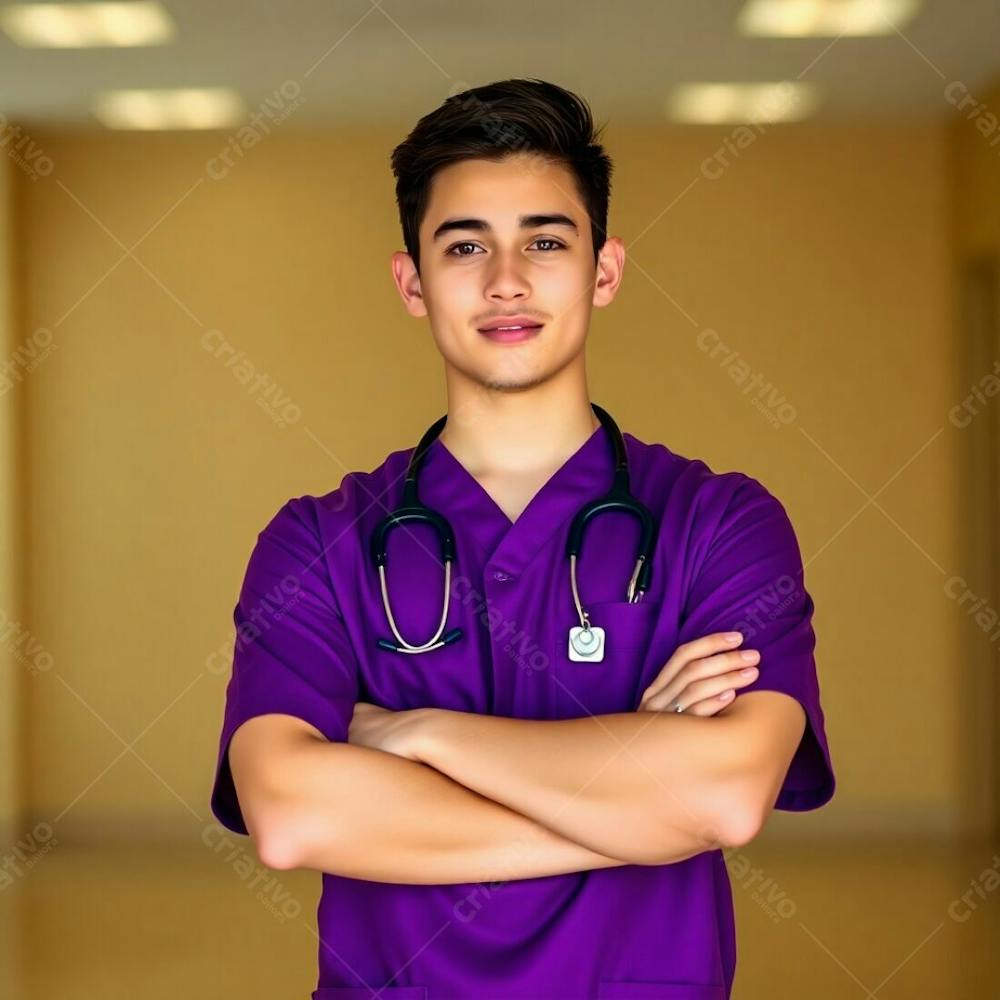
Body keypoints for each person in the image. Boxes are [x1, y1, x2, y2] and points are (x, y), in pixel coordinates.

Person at [210, 78, 835, 1000]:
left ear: (605, 270)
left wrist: (418, 735)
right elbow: (293, 816)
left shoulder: (721, 524)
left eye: (546, 241)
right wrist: (635, 797)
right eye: (466, 246)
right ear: (411, 282)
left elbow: (725, 798)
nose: (507, 280)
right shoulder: (319, 541)